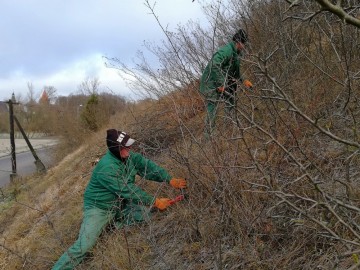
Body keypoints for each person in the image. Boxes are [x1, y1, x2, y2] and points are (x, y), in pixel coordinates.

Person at [52, 129, 187, 270]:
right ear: (115, 149)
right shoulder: (107, 167)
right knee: (85, 246)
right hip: (99, 208)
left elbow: (148, 167)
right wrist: (155, 201)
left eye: (128, 145)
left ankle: (113, 224)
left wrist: (169, 179)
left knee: (147, 214)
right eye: (125, 147)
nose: (129, 149)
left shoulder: (129, 157)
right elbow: (128, 190)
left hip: (121, 203)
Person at [199, 28, 253, 136]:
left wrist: (244, 80)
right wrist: (221, 84)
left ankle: (228, 129)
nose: (245, 46)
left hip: (223, 80)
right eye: (244, 43)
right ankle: (208, 137)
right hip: (210, 82)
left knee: (231, 100)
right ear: (239, 42)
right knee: (212, 108)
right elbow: (214, 65)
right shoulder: (227, 50)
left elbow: (235, 72)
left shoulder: (236, 53)